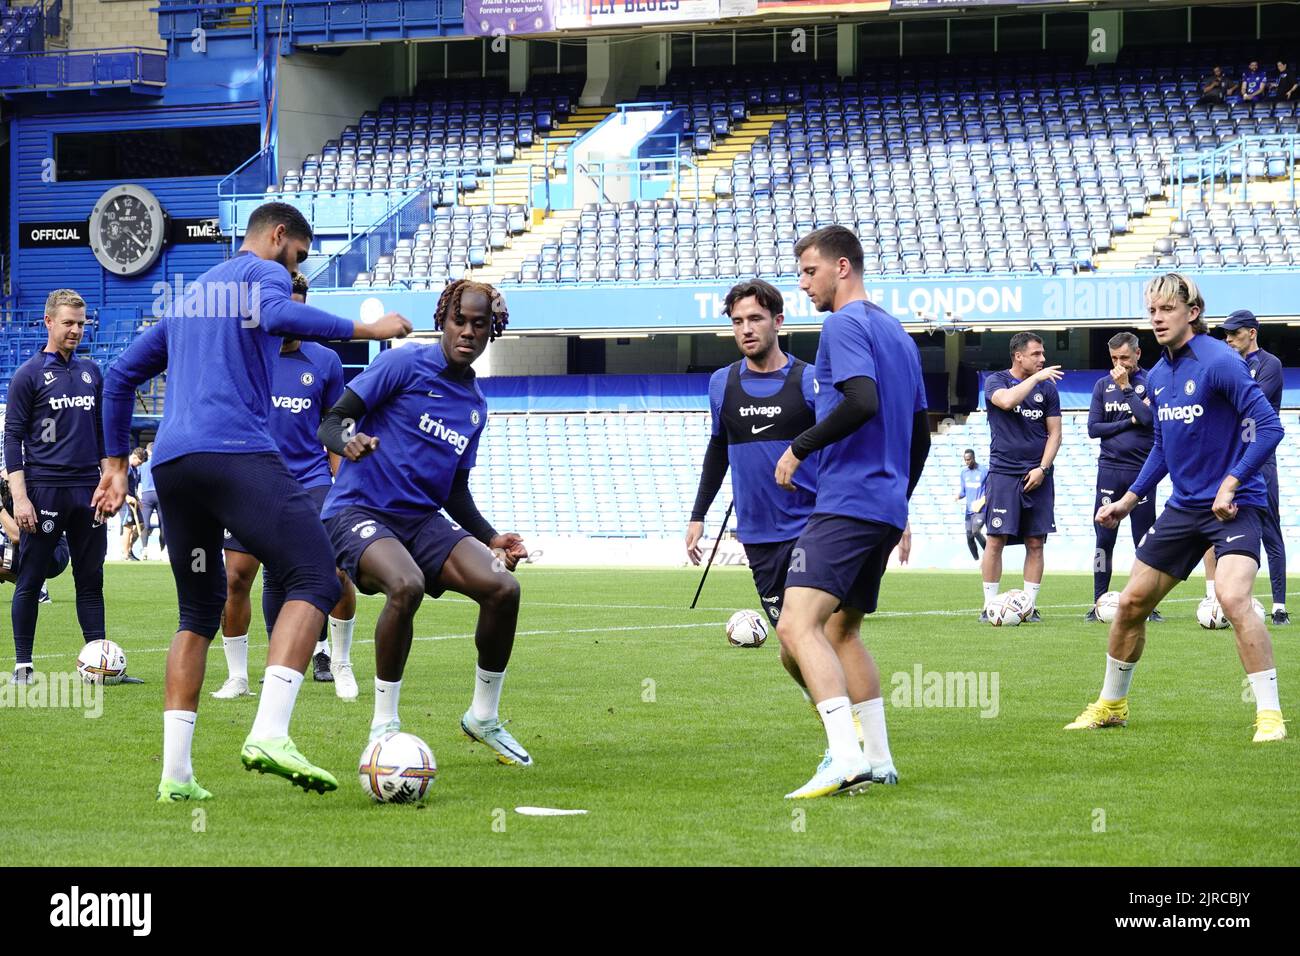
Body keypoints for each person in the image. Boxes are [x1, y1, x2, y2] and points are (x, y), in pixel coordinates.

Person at [94, 201, 412, 802]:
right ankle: (269, 731)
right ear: (277, 235)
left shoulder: (191, 300)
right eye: (298, 256)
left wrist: (115, 465)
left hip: (173, 465)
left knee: (197, 614)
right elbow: (273, 314)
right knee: (318, 576)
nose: (296, 271)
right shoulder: (262, 273)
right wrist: (367, 331)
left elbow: (117, 378)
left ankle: (177, 776)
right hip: (235, 451)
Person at [317, 278, 531, 766]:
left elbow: (454, 490)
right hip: (358, 511)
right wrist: (347, 440)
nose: (468, 332)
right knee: (406, 584)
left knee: (503, 588)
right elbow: (333, 420)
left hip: (421, 520)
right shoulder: (402, 363)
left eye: (480, 324)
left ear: (492, 330)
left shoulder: (474, 408)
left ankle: (483, 716)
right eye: (460, 321)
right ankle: (384, 726)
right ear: (443, 321)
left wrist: (492, 537)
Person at [1071, 274, 1286, 743]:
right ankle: (1111, 705)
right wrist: (1128, 501)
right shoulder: (1161, 376)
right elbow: (1164, 450)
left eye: (1167, 309)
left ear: (1192, 312)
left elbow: (1270, 428)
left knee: (1232, 598)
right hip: (1184, 507)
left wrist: (1231, 483)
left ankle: (1269, 716)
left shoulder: (1221, 361)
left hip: (1235, 504)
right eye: (1151, 310)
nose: (1157, 318)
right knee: (1129, 604)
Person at [772, 225, 930, 799]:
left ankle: (843, 757)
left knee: (795, 625)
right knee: (842, 630)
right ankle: (880, 759)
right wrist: (900, 498)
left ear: (843, 268)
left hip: (847, 500)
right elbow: (919, 435)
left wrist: (799, 447)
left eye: (810, 272)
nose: (803, 284)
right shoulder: (898, 334)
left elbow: (862, 401)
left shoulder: (843, 324)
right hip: (883, 504)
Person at [213, 271, 360, 700]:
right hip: (253, 480)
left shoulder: (326, 361)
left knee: (335, 570)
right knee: (237, 578)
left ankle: (341, 662)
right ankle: (239, 676)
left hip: (311, 481)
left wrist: (343, 484)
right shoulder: (243, 357)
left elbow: (336, 425)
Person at [686, 278, 827, 697]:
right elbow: (717, 450)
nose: (746, 329)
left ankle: (846, 727)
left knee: (810, 631)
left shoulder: (809, 380)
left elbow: (839, 447)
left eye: (755, 319)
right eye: (737, 321)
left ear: (778, 322)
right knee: (790, 639)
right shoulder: (720, 384)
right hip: (758, 535)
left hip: (812, 526)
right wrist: (698, 516)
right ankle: (830, 710)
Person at [2, 289, 110, 684]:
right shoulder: (28, 375)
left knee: (91, 579)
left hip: (88, 490)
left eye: (81, 323)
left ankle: (98, 664)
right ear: (49, 322)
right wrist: (20, 497)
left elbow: (100, 434)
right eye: (68, 323)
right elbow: (12, 439)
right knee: (31, 578)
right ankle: (23, 666)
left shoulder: (91, 372)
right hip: (44, 488)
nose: (76, 330)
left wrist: (108, 483)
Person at [979, 333, 1063, 622]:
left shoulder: (1049, 391)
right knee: (995, 539)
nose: (1042, 359)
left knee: (1036, 542)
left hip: (1037, 473)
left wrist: (1043, 469)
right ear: (1018, 356)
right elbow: (1005, 402)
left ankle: (1030, 606)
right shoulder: (996, 381)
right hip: (1003, 472)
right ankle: (989, 605)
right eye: (1037, 354)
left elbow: (1055, 434)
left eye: (1043, 354)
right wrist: (1036, 380)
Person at [1086, 332, 1162, 622]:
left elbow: (1148, 420)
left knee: (1144, 543)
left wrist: (1127, 390)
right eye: (1115, 358)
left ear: (1138, 355)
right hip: (1109, 470)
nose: (1119, 364)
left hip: (1142, 473)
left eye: (1125, 358)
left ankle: (1147, 605)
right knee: (1104, 540)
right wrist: (1127, 420)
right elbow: (1094, 428)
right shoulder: (1102, 385)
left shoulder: (1151, 382)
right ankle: (1098, 602)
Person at [1220, 309, 1288, 624]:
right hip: (1232, 458)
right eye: (1227, 334)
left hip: (1260, 459)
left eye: (1234, 333)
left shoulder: (1269, 364)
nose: (1229, 339)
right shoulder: (1229, 363)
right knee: (1226, 530)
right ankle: (1223, 597)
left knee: (1270, 530)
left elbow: (1248, 401)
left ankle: (1278, 607)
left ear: (1252, 333)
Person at [955, 448, 988, 561]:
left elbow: (991, 489)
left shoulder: (983, 471)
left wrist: (983, 500)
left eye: (969, 459)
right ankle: (976, 560)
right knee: (969, 536)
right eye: (965, 460)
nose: (967, 462)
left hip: (981, 510)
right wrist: (958, 496)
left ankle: (989, 555)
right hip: (969, 511)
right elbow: (964, 491)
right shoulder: (964, 473)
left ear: (974, 458)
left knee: (975, 531)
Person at [137, 442, 162, 559]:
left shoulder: (143, 465)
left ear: (147, 451)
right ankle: (163, 550)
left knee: (145, 523)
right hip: (159, 493)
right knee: (163, 523)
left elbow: (136, 479)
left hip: (146, 494)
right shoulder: (160, 462)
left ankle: (144, 549)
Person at [120, 448, 144, 561]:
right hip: (125, 501)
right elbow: (118, 483)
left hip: (134, 500)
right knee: (128, 527)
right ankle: (125, 554)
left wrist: (138, 499)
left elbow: (133, 487)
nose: (139, 465)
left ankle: (130, 549)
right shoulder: (125, 467)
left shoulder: (135, 469)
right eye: (139, 462)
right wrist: (126, 497)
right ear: (134, 457)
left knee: (142, 524)